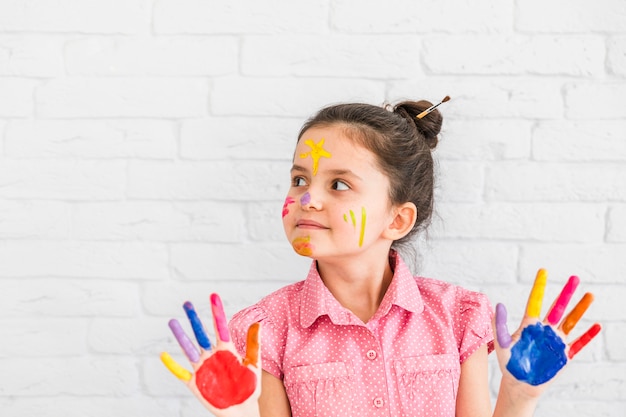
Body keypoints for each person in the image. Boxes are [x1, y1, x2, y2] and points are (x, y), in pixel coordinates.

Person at [161, 98, 600, 417]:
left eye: (338, 185)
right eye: (299, 179)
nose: (307, 199)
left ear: (397, 219)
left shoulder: (457, 317)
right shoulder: (265, 331)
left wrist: (520, 396)